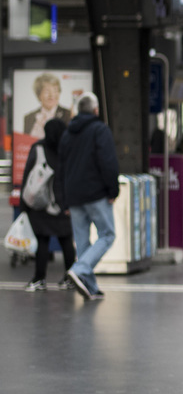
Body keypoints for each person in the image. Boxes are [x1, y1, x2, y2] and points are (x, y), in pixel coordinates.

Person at [58, 93, 120, 302]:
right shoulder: (99, 130)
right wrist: (113, 190)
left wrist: (63, 200)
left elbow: (61, 169)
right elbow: (108, 161)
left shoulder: (68, 134)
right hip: (95, 194)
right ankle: (80, 268)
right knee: (107, 235)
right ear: (95, 110)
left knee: (82, 242)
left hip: (74, 197)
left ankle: (90, 287)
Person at [20, 119, 77, 291]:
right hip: (62, 203)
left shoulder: (38, 148)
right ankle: (69, 278)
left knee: (42, 241)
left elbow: (27, 177)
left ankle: (39, 279)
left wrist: (24, 206)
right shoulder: (69, 149)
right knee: (66, 241)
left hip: (40, 203)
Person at [23, 72, 72, 137]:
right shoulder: (29, 118)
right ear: (39, 94)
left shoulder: (68, 114)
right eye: (47, 91)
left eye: (55, 90)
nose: (51, 95)